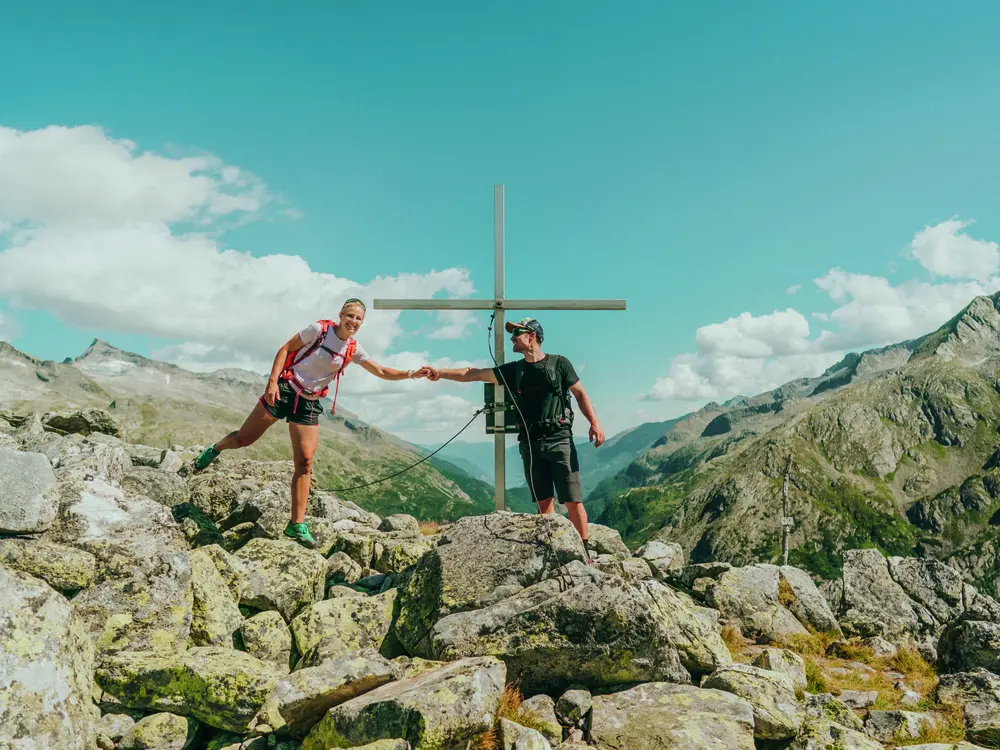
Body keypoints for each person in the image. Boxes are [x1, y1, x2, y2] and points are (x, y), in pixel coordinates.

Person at [194, 298, 430, 548]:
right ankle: (216, 448)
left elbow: (381, 372)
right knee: (244, 439)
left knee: (305, 462)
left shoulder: (353, 348)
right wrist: (272, 383)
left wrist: (411, 374)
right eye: (350, 315)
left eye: (359, 318)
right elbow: (285, 349)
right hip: (285, 390)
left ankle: (296, 524)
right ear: (340, 314)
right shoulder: (318, 331)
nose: (353, 321)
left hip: (308, 402)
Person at [423, 317, 604, 560]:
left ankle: (584, 552)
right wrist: (440, 373)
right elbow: (473, 373)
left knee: (572, 500)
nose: (511, 338)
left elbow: (580, 394)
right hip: (530, 443)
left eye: (516, 333)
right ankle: (552, 550)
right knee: (544, 502)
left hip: (560, 439)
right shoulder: (514, 370)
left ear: (532, 336)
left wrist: (594, 423)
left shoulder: (560, 363)